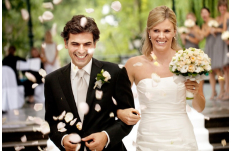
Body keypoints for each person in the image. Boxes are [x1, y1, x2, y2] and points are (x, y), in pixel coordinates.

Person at [116, 6, 205, 150]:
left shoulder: (189, 60)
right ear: (149, 32)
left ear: (174, 32)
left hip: (182, 138)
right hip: (148, 139)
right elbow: (116, 102)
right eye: (156, 30)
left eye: (166, 31)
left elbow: (200, 108)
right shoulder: (134, 65)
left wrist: (194, 94)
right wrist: (120, 112)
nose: (161, 36)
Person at [44, 15, 137, 151]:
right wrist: (63, 140)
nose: (81, 50)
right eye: (75, 44)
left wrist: (106, 136)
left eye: (87, 44)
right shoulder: (52, 80)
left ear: (94, 44)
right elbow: (51, 123)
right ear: (65, 43)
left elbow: (129, 117)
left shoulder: (115, 72)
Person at [201, 7, 227, 100]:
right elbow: (203, 35)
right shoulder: (204, 25)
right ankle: (213, 91)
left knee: (217, 70)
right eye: (202, 13)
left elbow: (215, 32)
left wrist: (210, 29)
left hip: (215, 46)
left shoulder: (214, 21)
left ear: (209, 13)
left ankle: (222, 90)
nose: (204, 15)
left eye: (205, 12)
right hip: (208, 47)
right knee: (210, 71)